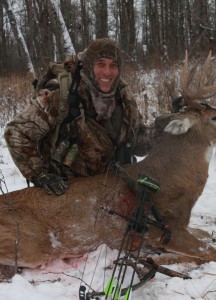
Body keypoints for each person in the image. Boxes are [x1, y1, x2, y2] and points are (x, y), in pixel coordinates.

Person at [4, 38, 145, 196]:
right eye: (101, 64)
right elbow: (15, 132)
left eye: (113, 65)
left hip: (112, 191)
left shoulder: (124, 97)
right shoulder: (61, 95)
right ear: (89, 65)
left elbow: (138, 141)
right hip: (68, 196)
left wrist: (168, 125)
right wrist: (41, 175)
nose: (107, 72)